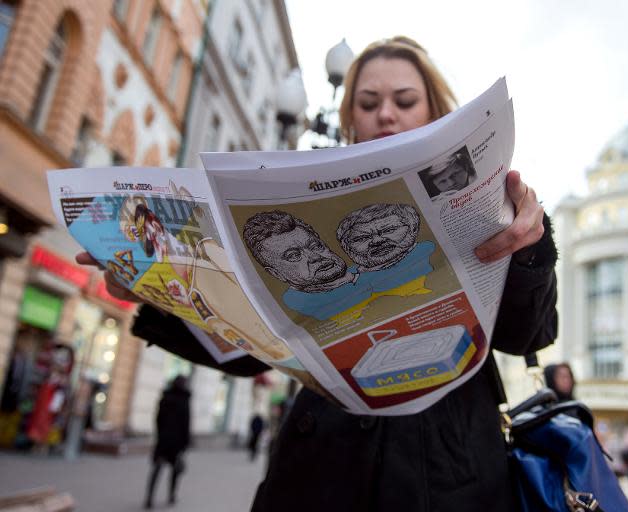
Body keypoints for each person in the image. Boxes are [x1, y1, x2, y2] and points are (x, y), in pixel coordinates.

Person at [78, 36, 555, 512]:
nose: (385, 114)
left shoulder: (491, 196)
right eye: (367, 104)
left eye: (404, 101)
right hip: (318, 469)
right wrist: (155, 290)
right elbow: (254, 352)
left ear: (434, 110)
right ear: (348, 118)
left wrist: (529, 246)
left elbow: (530, 333)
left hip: (449, 475)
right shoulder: (296, 206)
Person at [144, 375, 191, 509]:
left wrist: (160, 435)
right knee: (171, 471)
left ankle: (152, 497)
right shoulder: (184, 399)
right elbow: (186, 423)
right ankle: (168, 495)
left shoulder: (167, 397)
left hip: (164, 440)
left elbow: (158, 419)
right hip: (175, 442)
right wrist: (185, 443)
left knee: (159, 469)